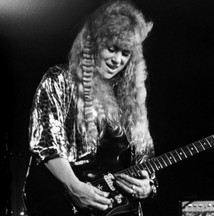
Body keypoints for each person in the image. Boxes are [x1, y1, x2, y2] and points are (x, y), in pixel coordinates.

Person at [23, 1, 157, 216]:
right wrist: (73, 186)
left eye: (125, 53)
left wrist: (147, 187)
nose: (117, 60)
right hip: (60, 203)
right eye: (111, 49)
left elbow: (144, 158)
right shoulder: (61, 79)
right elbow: (46, 140)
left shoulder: (130, 98)